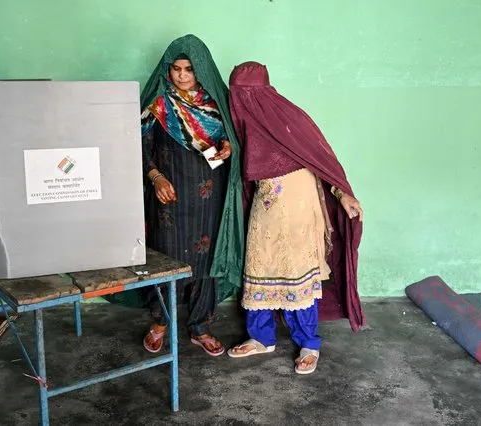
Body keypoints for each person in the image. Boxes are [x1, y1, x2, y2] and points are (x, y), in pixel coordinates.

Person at [225, 62, 365, 374]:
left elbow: (321, 160)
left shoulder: (290, 119)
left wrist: (342, 194)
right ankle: (261, 337)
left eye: (248, 94)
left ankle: (308, 342)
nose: (242, 101)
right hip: (267, 206)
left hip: (301, 207)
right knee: (260, 265)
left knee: (298, 270)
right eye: (237, 94)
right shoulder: (244, 122)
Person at [138, 35, 244, 356]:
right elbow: (137, 147)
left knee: (205, 261)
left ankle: (200, 326)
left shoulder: (216, 105)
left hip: (209, 200)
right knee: (166, 259)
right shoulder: (158, 105)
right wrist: (155, 178)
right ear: (167, 71)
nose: (182, 75)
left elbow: (234, 142)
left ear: (200, 72)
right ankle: (160, 322)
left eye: (189, 69)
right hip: (169, 199)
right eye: (176, 69)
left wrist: (229, 147)